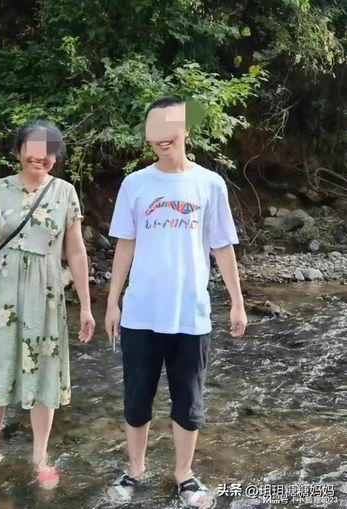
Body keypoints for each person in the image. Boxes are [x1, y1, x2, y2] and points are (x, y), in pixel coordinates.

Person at [105, 97, 247, 508]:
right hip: (140, 313)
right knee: (137, 398)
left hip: (191, 313)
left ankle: (184, 475)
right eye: (153, 129)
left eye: (169, 127)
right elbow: (125, 246)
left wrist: (237, 302)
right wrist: (112, 302)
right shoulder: (135, 184)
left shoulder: (210, 183)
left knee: (189, 401)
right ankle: (135, 470)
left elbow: (222, 246)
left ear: (186, 129)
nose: (161, 137)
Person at [0, 120, 95, 488]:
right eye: (32, 148)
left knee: (44, 371)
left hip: (46, 294)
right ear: (18, 150)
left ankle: (40, 456)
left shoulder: (65, 192)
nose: (40, 156)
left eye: (48, 150)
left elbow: (76, 252)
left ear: (56, 155)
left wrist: (86, 307)